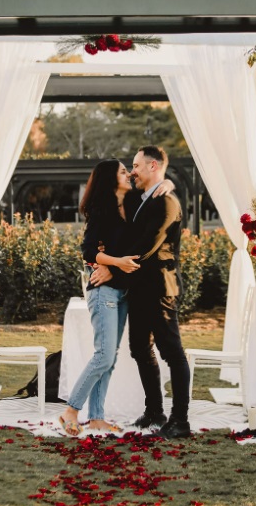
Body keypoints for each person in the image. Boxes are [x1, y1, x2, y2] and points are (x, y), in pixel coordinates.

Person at [59, 160, 171, 436]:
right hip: (103, 293)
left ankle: (96, 417)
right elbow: (88, 251)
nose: (130, 174)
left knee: (109, 357)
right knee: (104, 356)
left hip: (123, 292)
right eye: (123, 171)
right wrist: (114, 262)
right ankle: (71, 410)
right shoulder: (101, 211)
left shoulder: (132, 207)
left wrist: (167, 183)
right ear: (111, 180)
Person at [94, 145, 191, 439]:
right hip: (139, 287)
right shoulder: (143, 197)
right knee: (139, 349)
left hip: (160, 288)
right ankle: (155, 411)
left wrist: (112, 267)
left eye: (136, 166)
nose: (132, 171)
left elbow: (147, 244)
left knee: (172, 353)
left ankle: (180, 420)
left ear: (152, 166)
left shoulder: (167, 202)